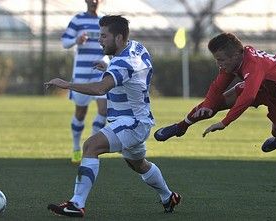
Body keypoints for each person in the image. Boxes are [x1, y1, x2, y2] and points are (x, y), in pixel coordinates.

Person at [45, 15, 181, 217]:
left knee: (91, 146)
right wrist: (109, 67)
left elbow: (101, 89)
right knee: (139, 165)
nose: (99, 40)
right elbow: (135, 73)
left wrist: (67, 84)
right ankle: (168, 196)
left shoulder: (122, 63)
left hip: (131, 123)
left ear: (118, 38)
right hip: (138, 120)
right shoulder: (136, 47)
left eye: (103, 36)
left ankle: (77, 203)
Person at [154, 32, 276, 153]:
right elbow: (217, 87)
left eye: (220, 60)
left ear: (235, 56)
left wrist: (224, 122)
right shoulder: (236, 59)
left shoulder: (253, 65)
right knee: (215, 103)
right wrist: (208, 105)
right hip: (261, 88)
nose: (218, 64)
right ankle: (180, 127)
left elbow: (249, 96)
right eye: (216, 59)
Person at [61, 0, 108, 164]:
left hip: (100, 73)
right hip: (81, 74)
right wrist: (76, 40)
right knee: (80, 113)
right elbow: (64, 42)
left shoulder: (105, 21)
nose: (94, 1)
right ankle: (76, 148)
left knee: (104, 109)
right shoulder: (77, 20)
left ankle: (91, 147)